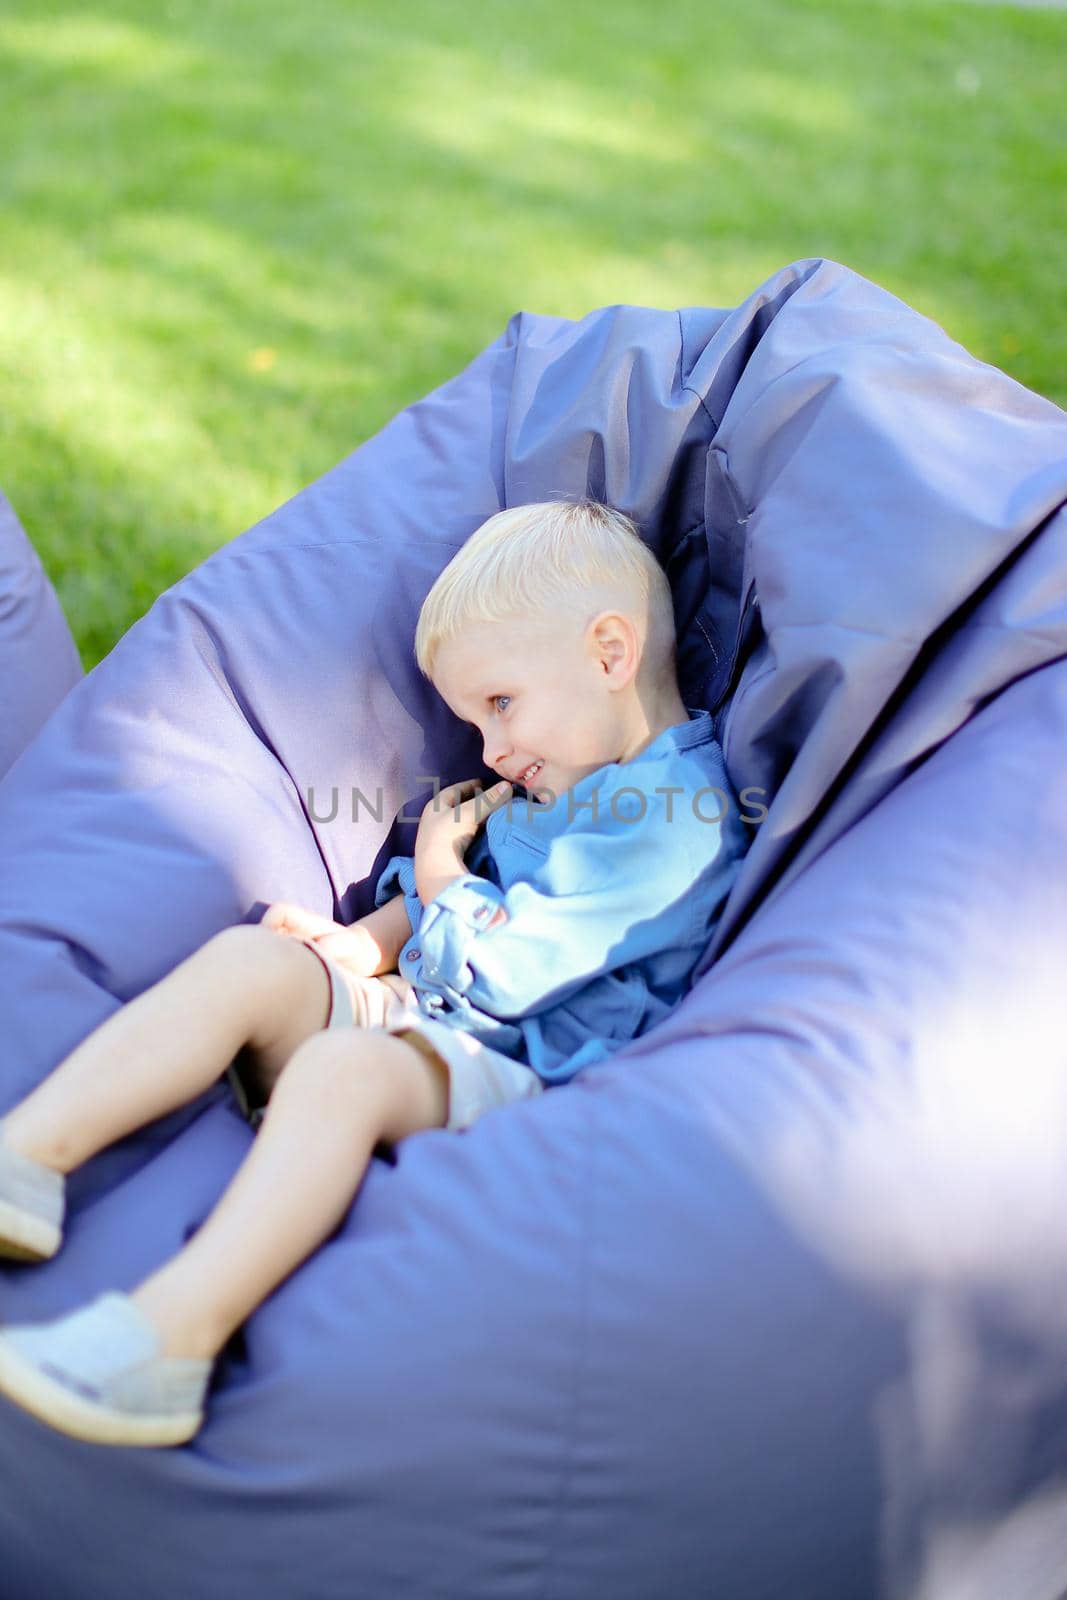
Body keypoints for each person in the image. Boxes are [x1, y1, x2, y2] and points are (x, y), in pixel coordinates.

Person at [0, 499, 750, 1448]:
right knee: (249, 962)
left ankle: (167, 1341)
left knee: (339, 1071)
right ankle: (27, 1156)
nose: (489, 751)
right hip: (428, 1018)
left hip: (529, 1073)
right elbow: (474, 879)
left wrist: (437, 879)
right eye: (475, 720)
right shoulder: (561, 781)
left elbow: (514, 969)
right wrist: (366, 943)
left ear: (609, 654)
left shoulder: (675, 816)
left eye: (500, 704)